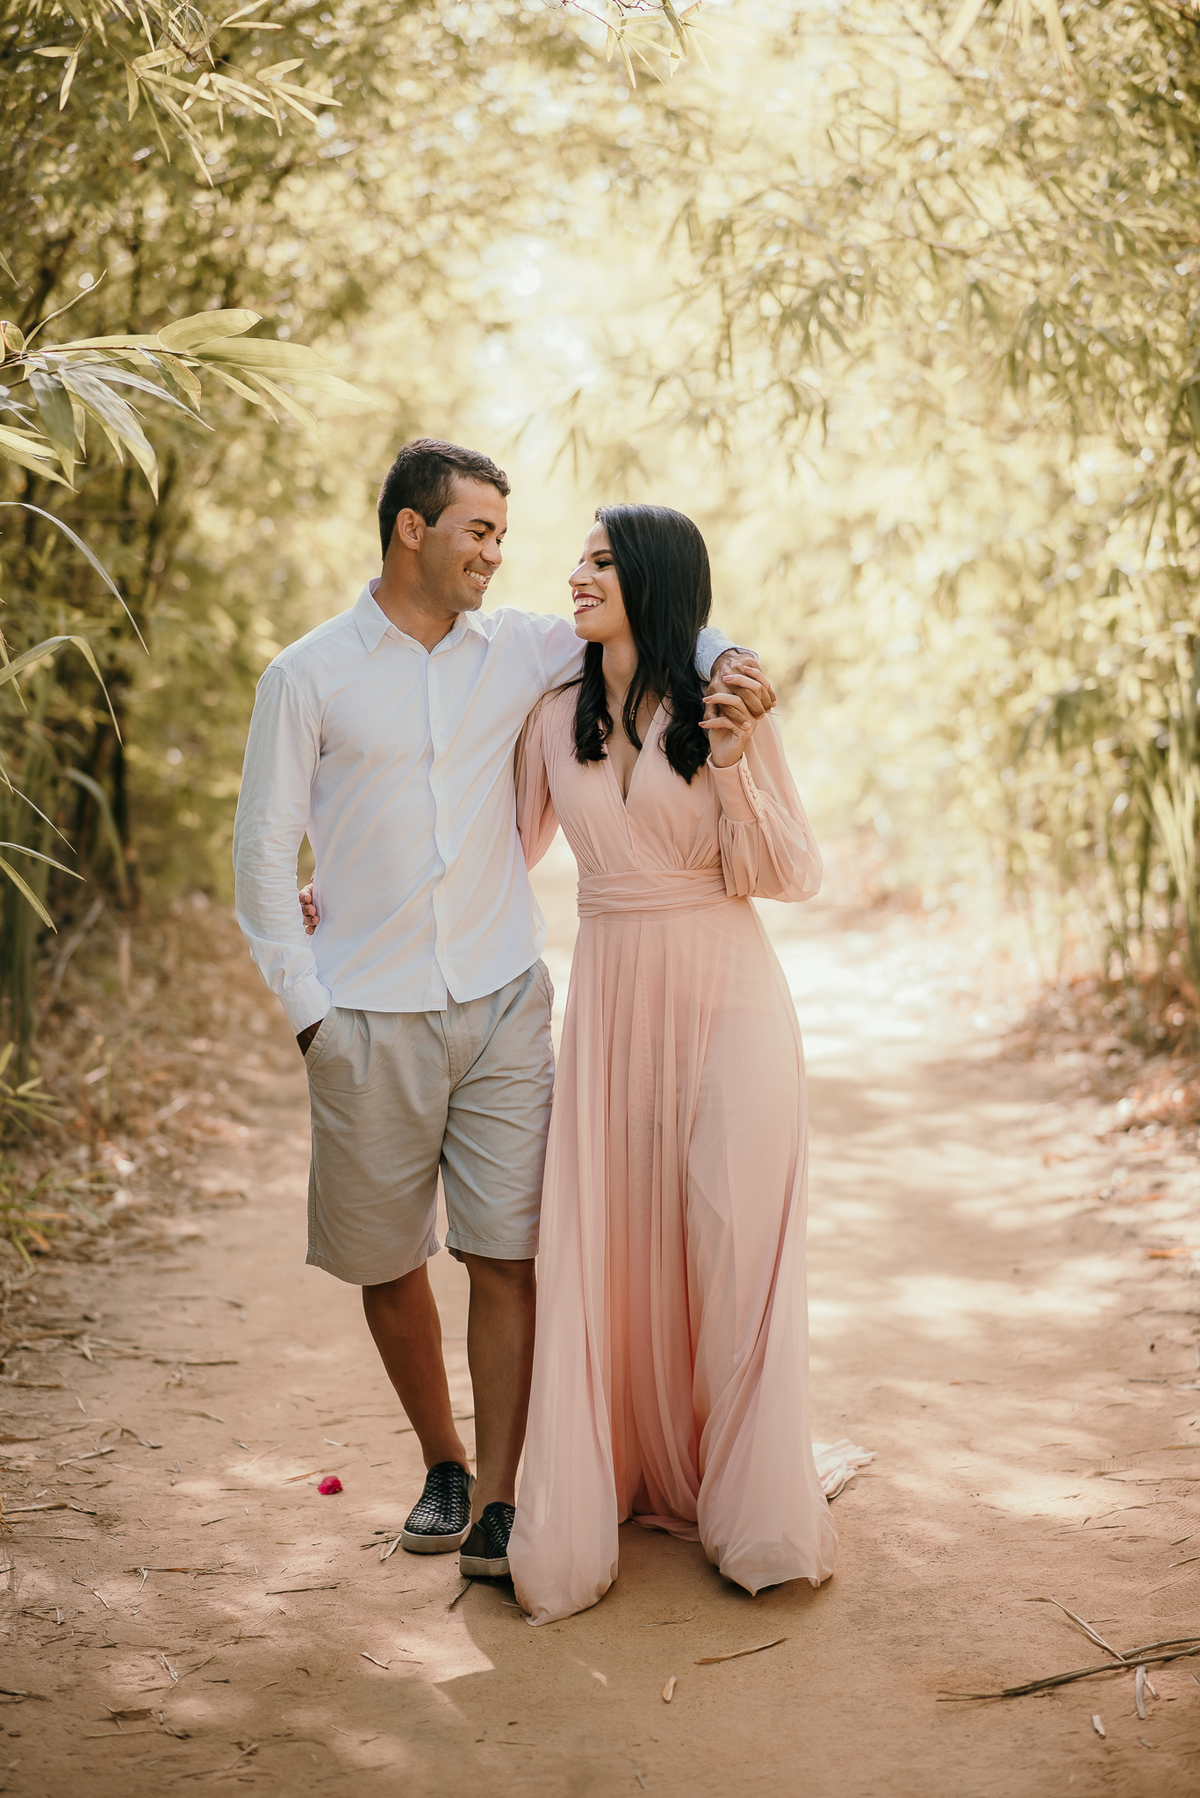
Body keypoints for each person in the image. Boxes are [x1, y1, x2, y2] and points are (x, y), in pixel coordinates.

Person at [232, 439, 760, 1580]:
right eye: (479, 531)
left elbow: (665, 622)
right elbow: (265, 853)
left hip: (505, 1000)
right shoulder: (307, 675)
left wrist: (734, 656)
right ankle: (445, 1462)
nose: (497, 555)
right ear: (413, 528)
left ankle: (510, 1496)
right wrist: (308, 1009)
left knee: (509, 1253)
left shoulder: (519, 650)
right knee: (387, 1261)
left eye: (503, 538)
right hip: (364, 1012)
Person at [504, 504, 871, 1624]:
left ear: (657, 577)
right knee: (608, 1236)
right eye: (576, 556)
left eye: (602, 559)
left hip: (728, 993)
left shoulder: (724, 704)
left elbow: (788, 870)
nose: (575, 573)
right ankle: (603, 1484)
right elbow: (497, 856)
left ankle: (756, 1509)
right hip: (611, 999)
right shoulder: (553, 711)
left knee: (731, 1225)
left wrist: (736, 760)